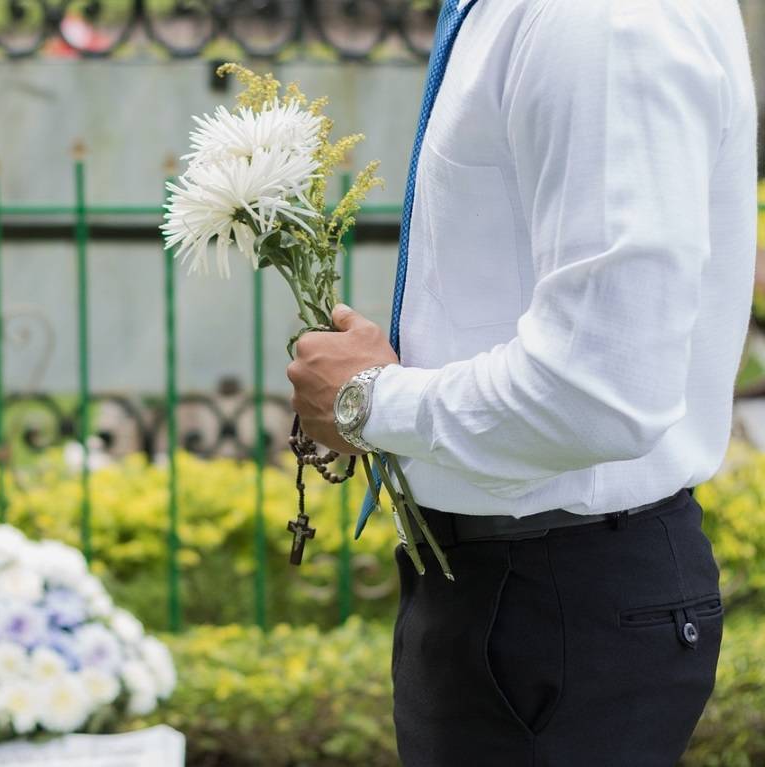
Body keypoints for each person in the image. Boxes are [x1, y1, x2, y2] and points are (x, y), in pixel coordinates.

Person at [285, 0, 757, 764]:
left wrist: (371, 399)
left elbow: (598, 393)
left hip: (554, 604)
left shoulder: (600, 21)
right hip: (513, 590)